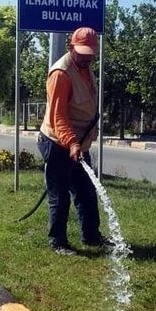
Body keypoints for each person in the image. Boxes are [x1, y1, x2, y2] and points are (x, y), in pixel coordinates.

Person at [37, 27, 109, 256]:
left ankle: (92, 236)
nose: (87, 57)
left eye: (90, 53)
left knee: (86, 192)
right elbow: (58, 116)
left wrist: (79, 143)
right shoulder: (61, 74)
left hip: (77, 143)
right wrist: (71, 143)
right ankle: (58, 242)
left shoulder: (85, 68)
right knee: (59, 195)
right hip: (57, 142)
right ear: (71, 47)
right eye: (82, 53)